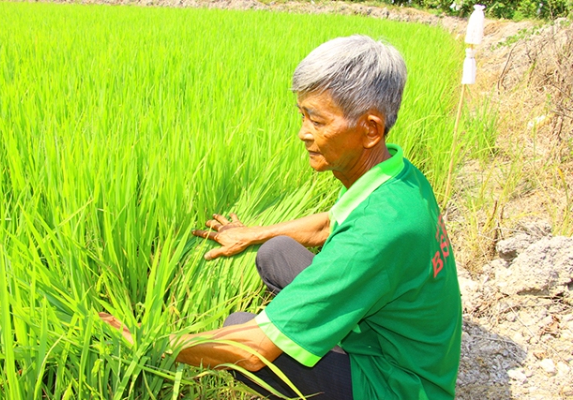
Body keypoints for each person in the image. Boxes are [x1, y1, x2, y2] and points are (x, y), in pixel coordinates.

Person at [102, 34, 462, 399]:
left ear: (369, 128)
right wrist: (250, 234)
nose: (303, 133)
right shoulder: (398, 176)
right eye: (302, 115)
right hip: (395, 339)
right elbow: (328, 225)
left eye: (318, 121)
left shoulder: (378, 232)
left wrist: (147, 340)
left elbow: (253, 350)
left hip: (399, 384)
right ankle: (313, 327)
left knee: (239, 328)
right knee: (275, 251)